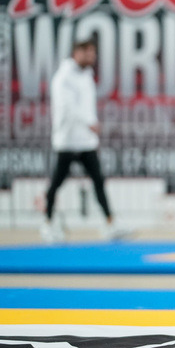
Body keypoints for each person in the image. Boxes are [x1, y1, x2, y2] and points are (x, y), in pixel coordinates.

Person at [41, 38, 125, 243]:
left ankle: (109, 224)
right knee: (56, 184)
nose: (93, 57)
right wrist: (89, 122)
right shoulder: (63, 77)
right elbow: (67, 107)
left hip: (86, 141)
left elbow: (87, 106)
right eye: (89, 53)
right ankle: (47, 225)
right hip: (67, 140)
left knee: (98, 181)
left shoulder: (87, 76)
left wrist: (91, 124)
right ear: (78, 52)